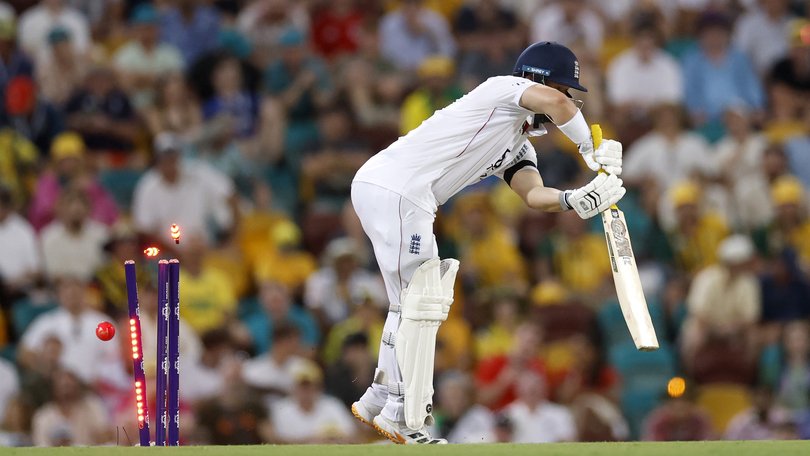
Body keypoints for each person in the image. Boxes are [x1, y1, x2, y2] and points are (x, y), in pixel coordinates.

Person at [349, 41, 625, 444]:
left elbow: (533, 194)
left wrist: (574, 199)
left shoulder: (518, 143)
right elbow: (560, 106)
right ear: (540, 81)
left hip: (392, 190)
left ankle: (378, 397)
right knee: (424, 302)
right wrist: (591, 148)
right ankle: (403, 416)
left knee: (407, 302)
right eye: (567, 90)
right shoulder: (502, 89)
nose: (570, 102)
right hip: (401, 191)